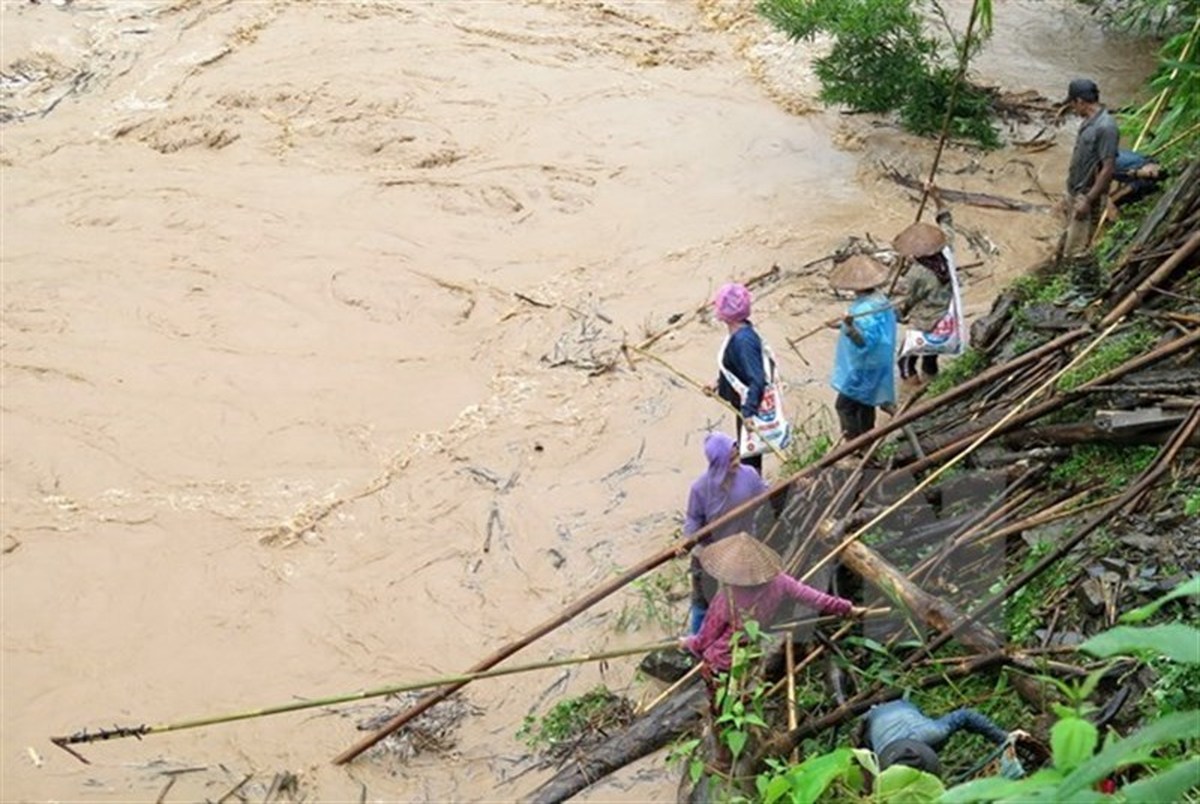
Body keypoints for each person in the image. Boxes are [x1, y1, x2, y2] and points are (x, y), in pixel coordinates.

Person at [681, 533, 864, 675]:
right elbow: (816, 598)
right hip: (751, 655)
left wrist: (687, 643)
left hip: (721, 661)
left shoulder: (726, 597)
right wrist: (848, 608)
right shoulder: (781, 582)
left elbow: (705, 638)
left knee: (719, 705)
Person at [683, 433, 769, 634]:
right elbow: (693, 520)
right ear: (718, 462)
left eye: (737, 456)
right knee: (703, 601)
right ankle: (695, 640)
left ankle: (735, 633)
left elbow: (767, 493)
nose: (737, 462)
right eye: (731, 460)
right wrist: (690, 544)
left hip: (741, 546)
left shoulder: (749, 475)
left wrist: (795, 484)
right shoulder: (700, 488)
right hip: (710, 550)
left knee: (743, 594)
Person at [893, 187, 965, 388]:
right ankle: (933, 388)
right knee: (930, 357)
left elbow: (908, 301)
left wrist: (895, 313)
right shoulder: (947, 251)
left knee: (904, 362)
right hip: (946, 319)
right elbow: (946, 220)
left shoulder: (918, 273)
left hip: (924, 323)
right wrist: (936, 196)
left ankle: (913, 396)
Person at [828, 255, 897, 441]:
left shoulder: (864, 310)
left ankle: (853, 444)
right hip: (878, 362)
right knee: (866, 403)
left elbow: (863, 341)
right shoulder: (880, 300)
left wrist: (849, 327)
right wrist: (841, 325)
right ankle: (867, 441)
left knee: (844, 406)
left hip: (865, 365)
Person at [862, 699, 1022, 778]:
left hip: (902, 707)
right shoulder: (884, 764)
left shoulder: (932, 733)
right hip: (873, 718)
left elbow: (966, 716)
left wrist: (1004, 738)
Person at [708, 282, 769, 475]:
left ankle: (754, 492)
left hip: (748, 406)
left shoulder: (743, 341)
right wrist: (717, 384)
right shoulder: (738, 335)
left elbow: (757, 379)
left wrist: (749, 412)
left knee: (750, 453)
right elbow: (737, 370)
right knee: (748, 451)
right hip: (742, 403)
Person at [1061, 78, 1119, 260]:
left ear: (1079, 101)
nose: (1073, 109)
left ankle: (1072, 282)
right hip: (1076, 192)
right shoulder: (1089, 122)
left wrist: (1088, 199)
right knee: (1068, 240)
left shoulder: (1106, 127)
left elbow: (1108, 169)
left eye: (1072, 105)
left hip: (1086, 197)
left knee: (1075, 251)